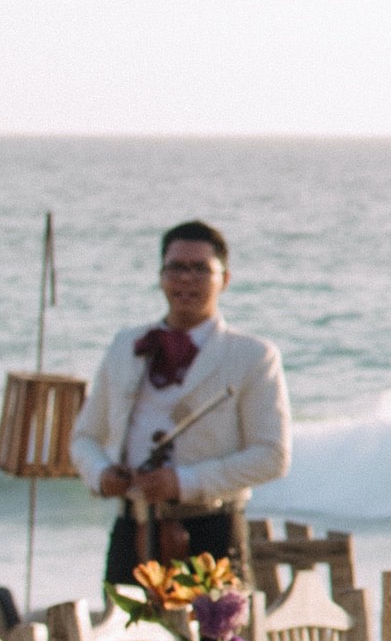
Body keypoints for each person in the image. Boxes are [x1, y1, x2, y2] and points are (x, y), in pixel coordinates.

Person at [78, 218, 289, 596]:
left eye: (200, 269)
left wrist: (184, 482)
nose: (186, 279)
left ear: (225, 279)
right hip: (132, 529)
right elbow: (85, 437)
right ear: (161, 277)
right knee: (123, 633)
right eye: (176, 268)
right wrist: (102, 473)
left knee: (216, 635)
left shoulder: (254, 355)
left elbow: (272, 456)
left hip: (211, 529)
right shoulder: (126, 344)